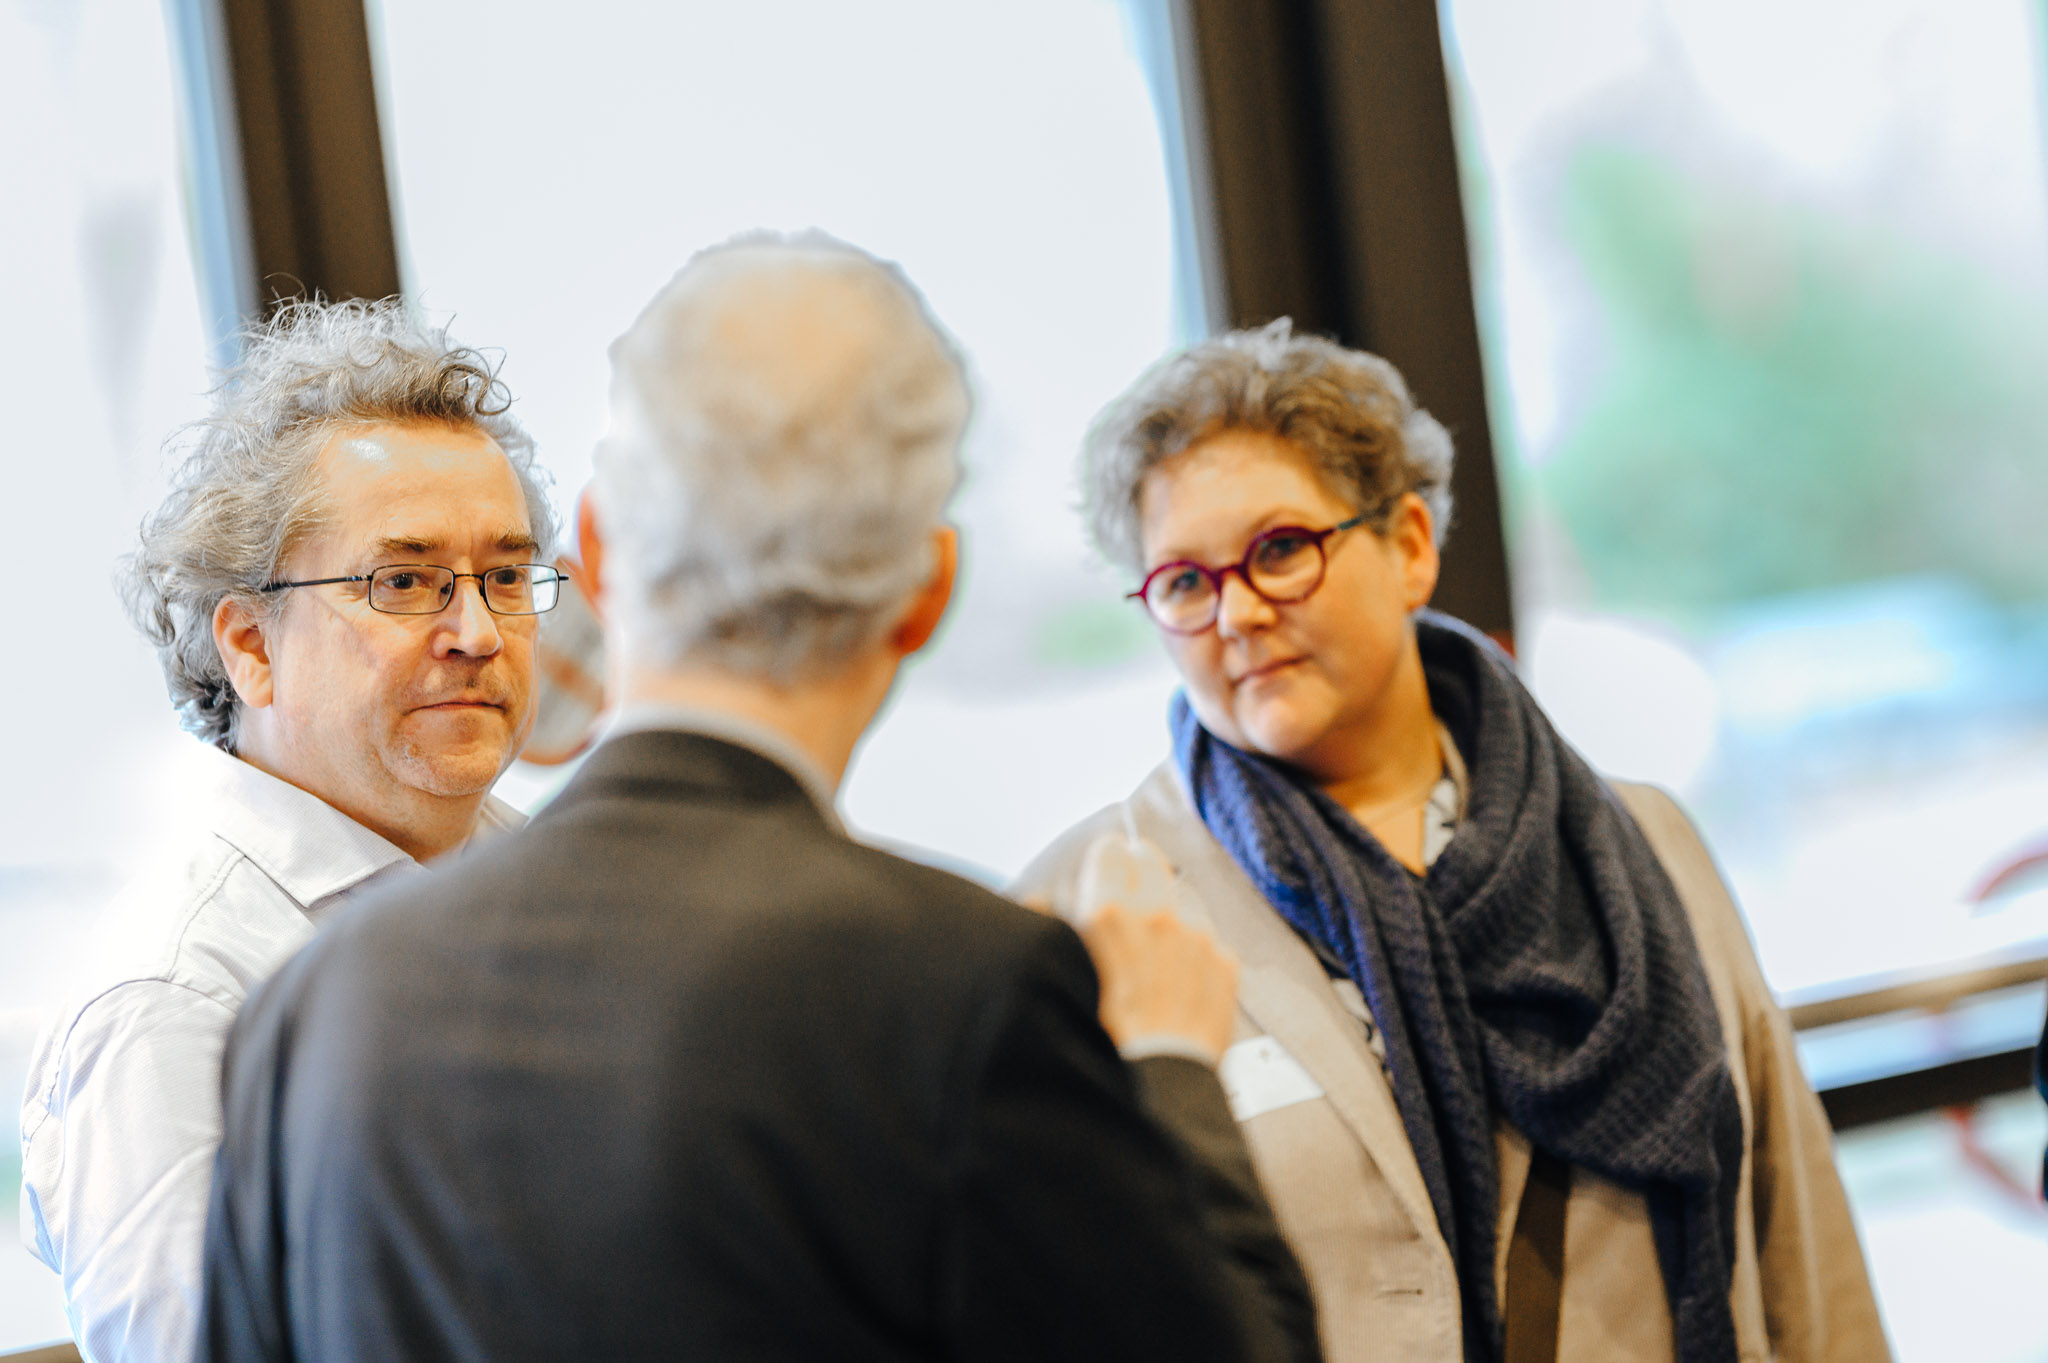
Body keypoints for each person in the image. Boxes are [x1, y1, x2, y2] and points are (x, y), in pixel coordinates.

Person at [197, 236, 1321, 1363]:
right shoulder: (967, 990)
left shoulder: (308, 1014)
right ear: (928, 590)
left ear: (598, 551)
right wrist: (1169, 1065)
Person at [1015, 320, 1891, 1363]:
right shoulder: (1091, 909)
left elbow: (1799, 1243)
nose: (1236, 611)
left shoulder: (1643, 845)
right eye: (1185, 583)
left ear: (1410, 547)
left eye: (1280, 549)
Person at [19, 298, 561, 1363]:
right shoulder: (174, 996)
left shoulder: (561, 887)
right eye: (403, 581)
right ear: (250, 646)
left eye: (504, 576)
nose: (476, 632)